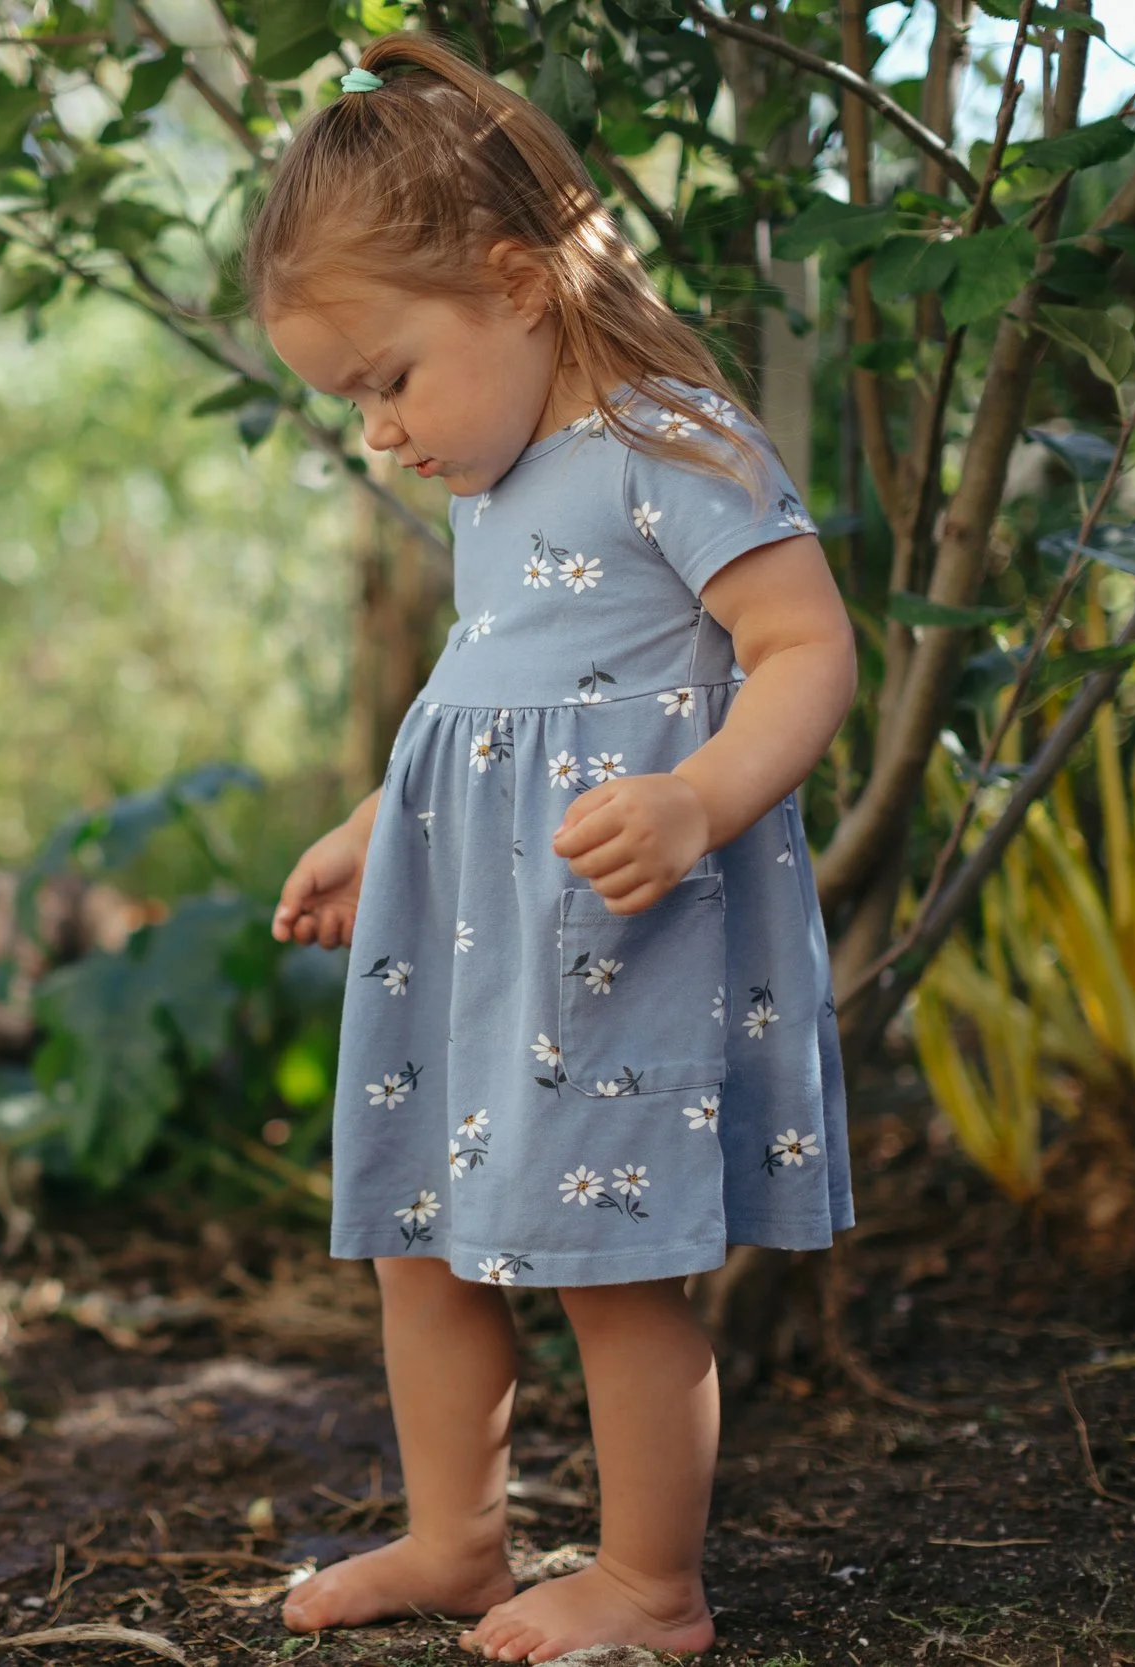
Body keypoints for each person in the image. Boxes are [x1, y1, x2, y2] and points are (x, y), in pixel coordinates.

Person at [254, 33, 856, 1663]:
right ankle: (458, 1537)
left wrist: (699, 799)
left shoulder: (675, 446)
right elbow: (491, 692)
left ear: (518, 283)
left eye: (387, 377)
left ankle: (654, 1586)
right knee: (420, 1239)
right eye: (352, 400)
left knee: (607, 1262)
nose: (378, 429)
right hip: (474, 939)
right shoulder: (494, 479)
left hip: (613, 932)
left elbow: (806, 650)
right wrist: (383, 825)